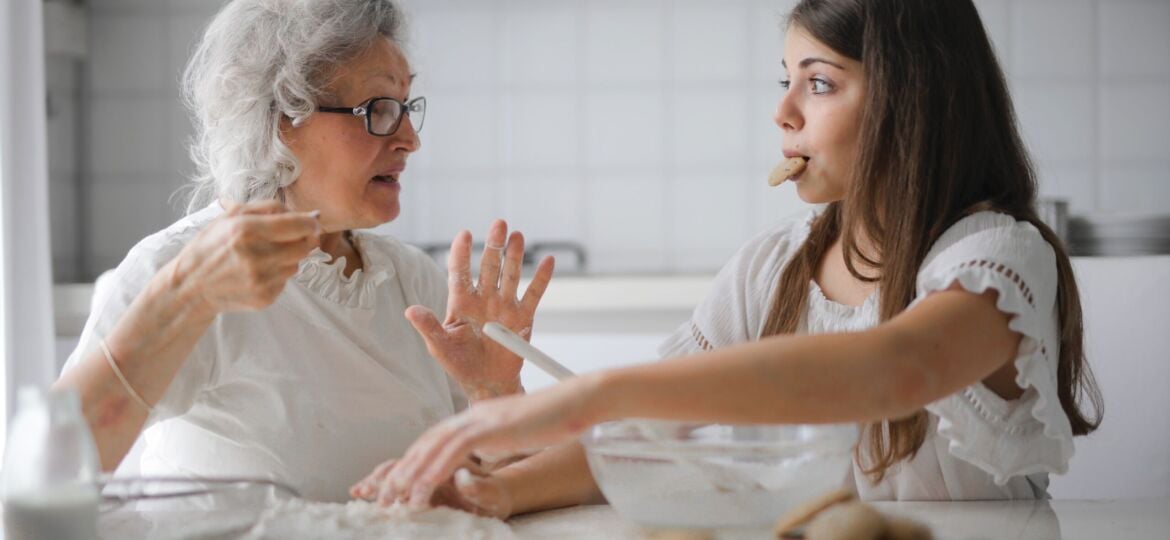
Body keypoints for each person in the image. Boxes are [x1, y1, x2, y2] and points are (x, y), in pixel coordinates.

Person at [355, 0, 1104, 513]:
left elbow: (895, 371)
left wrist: (599, 391)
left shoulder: (998, 257)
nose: (783, 111)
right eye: (787, 82)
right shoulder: (769, 267)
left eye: (819, 83)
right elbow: (649, 439)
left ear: (913, 102)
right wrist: (498, 486)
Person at [53, 0, 552, 502]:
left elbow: (492, 491)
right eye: (378, 110)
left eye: (406, 107)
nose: (410, 139)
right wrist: (183, 299)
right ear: (279, 120)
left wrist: (494, 394)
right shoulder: (178, 268)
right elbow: (52, 471)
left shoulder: (413, 281)